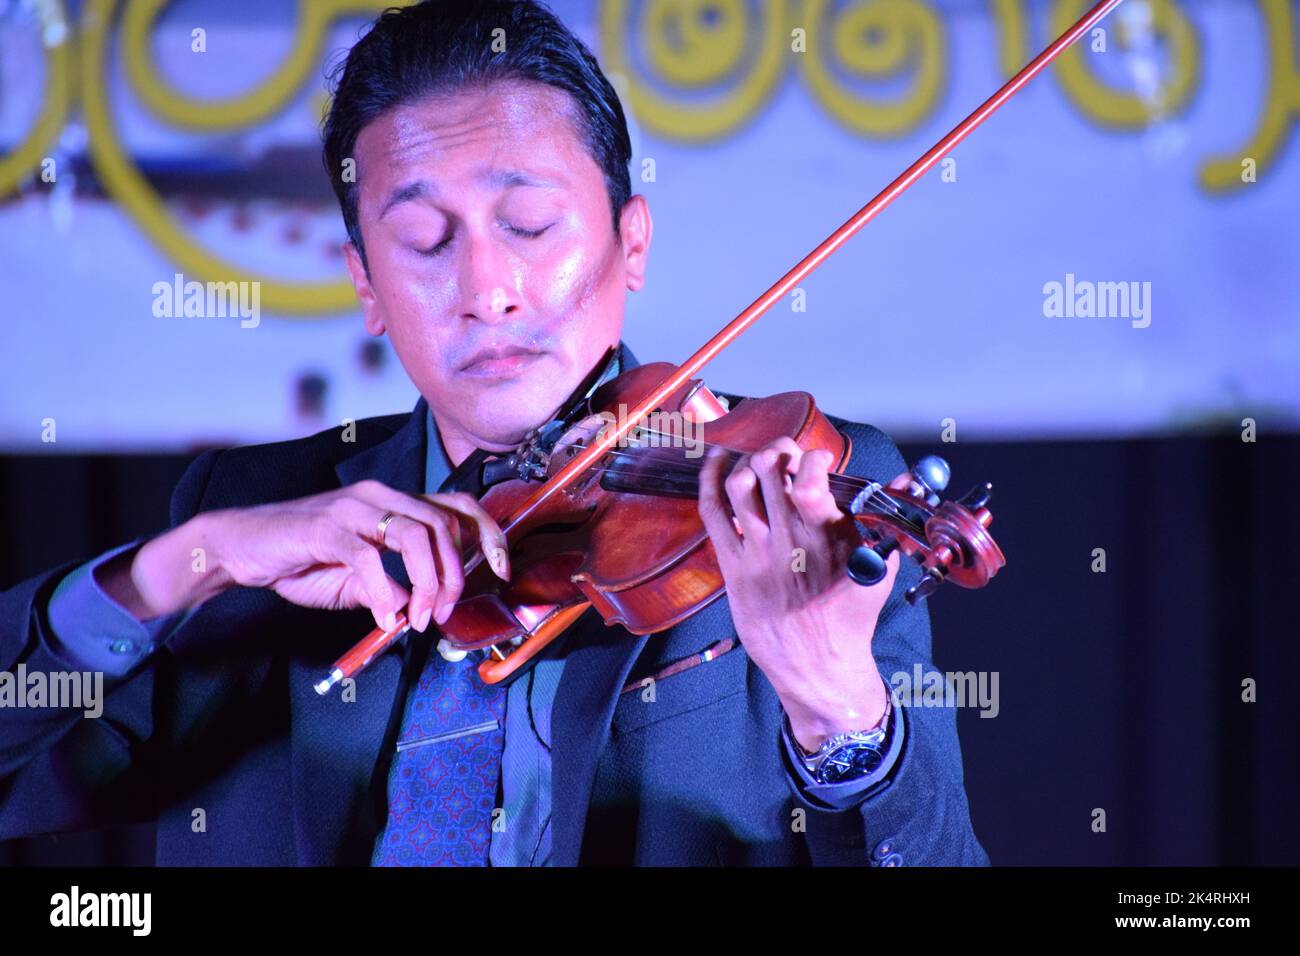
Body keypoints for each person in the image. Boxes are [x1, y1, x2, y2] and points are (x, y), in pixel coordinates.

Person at [0, 0, 988, 866]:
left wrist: (838, 712)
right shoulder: (245, 516)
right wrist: (188, 563)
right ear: (366, 287)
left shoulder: (794, 497)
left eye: (529, 224)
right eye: (426, 242)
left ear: (629, 241)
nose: (487, 291)